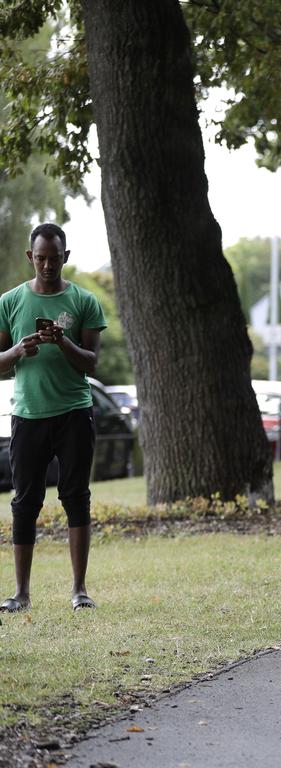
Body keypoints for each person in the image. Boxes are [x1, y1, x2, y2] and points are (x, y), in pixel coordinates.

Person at [0, 223, 107, 614]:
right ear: (31, 257)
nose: (47, 264)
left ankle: (79, 590)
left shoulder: (84, 301)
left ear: (66, 257)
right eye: (40, 257)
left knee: (76, 497)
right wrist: (16, 351)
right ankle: (20, 594)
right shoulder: (9, 302)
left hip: (74, 413)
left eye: (54, 257)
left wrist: (63, 341)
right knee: (25, 502)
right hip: (28, 415)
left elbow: (92, 361)